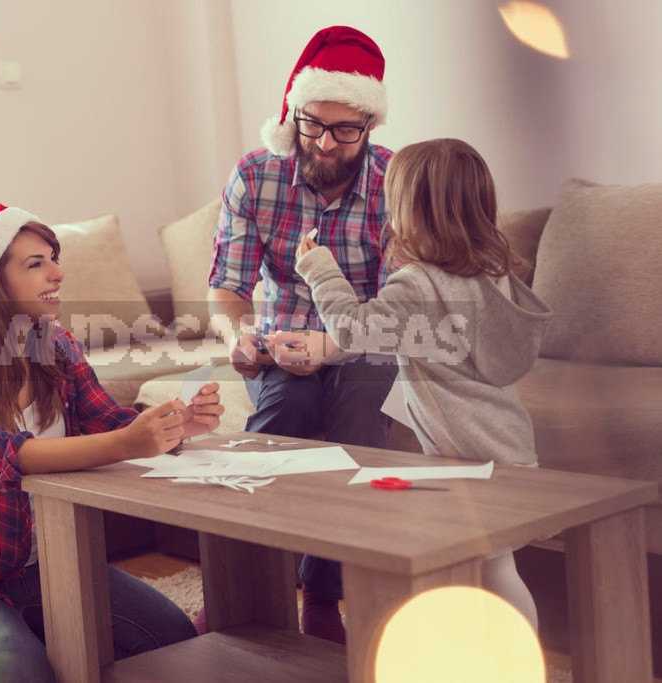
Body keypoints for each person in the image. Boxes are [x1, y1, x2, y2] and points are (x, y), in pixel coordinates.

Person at [0, 203, 224, 682]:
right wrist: (128, 443)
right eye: (35, 264)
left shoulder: (57, 344)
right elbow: (2, 457)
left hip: (52, 565)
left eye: (53, 258)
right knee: (22, 672)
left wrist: (176, 426)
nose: (57, 273)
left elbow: (107, 421)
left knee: (173, 638)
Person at [293, 137, 551, 629]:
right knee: (495, 565)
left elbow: (351, 330)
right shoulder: (491, 274)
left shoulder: (418, 285)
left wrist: (319, 269)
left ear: (413, 212)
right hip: (510, 447)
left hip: (469, 461)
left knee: (463, 564)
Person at [207, 25, 398, 643]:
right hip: (282, 347)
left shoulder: (397, 184)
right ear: (294, 112)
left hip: (368, 344)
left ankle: (323, 594)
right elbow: (228, 286)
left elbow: (401, 307)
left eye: (345, 130)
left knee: (361, 414)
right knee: (284, 412)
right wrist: (241, 337)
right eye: (312, 123)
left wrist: (334, 346)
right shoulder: (254, 175)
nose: (325, 142)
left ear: (369, 125)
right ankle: (240, 590)